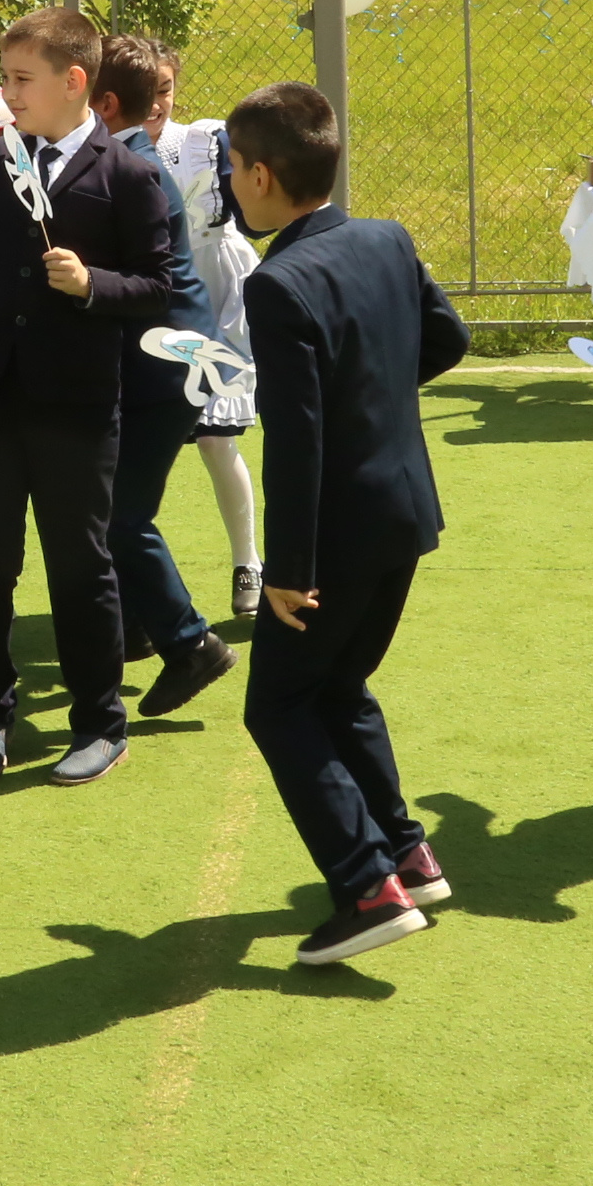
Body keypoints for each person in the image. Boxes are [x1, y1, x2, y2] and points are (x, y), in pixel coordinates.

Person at [210, 83, 471, 963]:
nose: (230, 184)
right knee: (340, 686)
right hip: (404, 515)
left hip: (335, 539)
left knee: (279, 706)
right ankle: (408, 855)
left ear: (260, 175)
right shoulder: (386, 238)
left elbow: (298, 442)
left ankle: (367, 889)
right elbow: (448, 341)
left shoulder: (278, 284)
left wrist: (286, 569)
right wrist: (375, 394)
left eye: (233, 169)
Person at [0, 6, 174, 784]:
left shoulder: (128, 174)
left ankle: (100, 721)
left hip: (76, 407)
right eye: (5, 78)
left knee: (79, 568)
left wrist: (94, 285)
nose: (8, 95)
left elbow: (157, 286)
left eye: (21, 80)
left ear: (74, 81)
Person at [85, 35, 242, 719]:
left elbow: (138, 284)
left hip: (168, 364)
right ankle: (138, 628)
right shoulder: (129, 160)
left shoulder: (128, 169)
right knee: (114, 505)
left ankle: (190, 643)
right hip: (169, 360)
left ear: (102, 103)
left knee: (121, 515)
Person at [151, 104, 268, 621]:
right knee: (137, 447)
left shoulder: (204, 141)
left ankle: (249, 564)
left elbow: (253, 219)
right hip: (155, 296)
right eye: (148, 91)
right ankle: (134, 577)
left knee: (217, 440)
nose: (157, 102)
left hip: (217, 292)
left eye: (165, 89)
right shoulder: (106, 148)